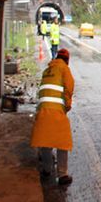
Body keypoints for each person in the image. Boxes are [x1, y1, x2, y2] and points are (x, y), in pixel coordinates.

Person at [30, 48, 75, 185]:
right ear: (66, 60)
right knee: (62, 143)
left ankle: (46, 170)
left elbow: (41, 92)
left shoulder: (47, 71)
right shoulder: (64, 69)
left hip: (43, 110)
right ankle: (62, 174)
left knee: (45, 141)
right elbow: (69, 89)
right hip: (56, 111)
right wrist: (66, 107)